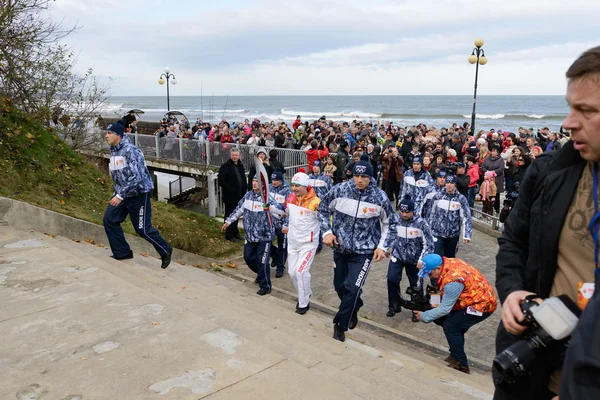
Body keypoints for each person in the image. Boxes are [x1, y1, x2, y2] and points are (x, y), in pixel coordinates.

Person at [494, 45, 600, 400]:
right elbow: (513, 242)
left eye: (585, 110)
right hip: (532, 365)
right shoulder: (550, 171)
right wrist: (512, 291)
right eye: (570, 107)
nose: (568, 123)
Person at [319, 154, 398, 342]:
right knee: (340, 287)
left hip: (364, 253)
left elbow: (390, 224)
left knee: (352, 288)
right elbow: (322, 210)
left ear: (370, 177)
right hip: (340, 248)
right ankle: (354, 306)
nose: (360, 180)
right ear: (351, 175)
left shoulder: (379, 197)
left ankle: (340, 325)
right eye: (356, 176)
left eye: (364, 177)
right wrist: (326, 233)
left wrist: (382, 246)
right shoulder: (339, 190)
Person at [103, 120, 172, 269]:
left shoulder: (130, 151)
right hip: (123, 193)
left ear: (118, 135)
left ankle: (166, 250)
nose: (106, 136)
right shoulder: (114, 150)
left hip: (139, 194)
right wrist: (118, 192)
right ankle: (122, 252)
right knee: (109, 219)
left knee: (143, 229)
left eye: (109, 133)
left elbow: (137, 177)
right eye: (106, 133)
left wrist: (119, 195)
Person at [414, 254, 497, 374]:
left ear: (437, 268)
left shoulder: (452, 280)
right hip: (470, 298)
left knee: (451, 326)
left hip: (481, 304)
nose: (428, 276)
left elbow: (444, 309)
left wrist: (424, 316)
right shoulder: (447, 264)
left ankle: (461, 363)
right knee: (448, 323)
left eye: (429, 273)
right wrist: (433, 303)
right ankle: (455, 354)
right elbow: (437, 288)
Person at [222, 175, 276, 296]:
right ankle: (262, 273)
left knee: (262, 262)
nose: (254, 183)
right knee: (248, 258)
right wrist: (229, 221)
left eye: (257, 181)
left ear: (263, 184)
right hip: (250, 236)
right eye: (253, 181)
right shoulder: (248, 196)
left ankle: (266, 285)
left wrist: (269, 208)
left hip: (264, 236)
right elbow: (239, 209)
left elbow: (280, 211)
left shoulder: (267, 198)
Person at [386, 195, 434, 321]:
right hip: (398, 255)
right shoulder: (396, 219)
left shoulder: (421, 223)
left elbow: (429, 244)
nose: (404, 214)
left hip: (415, 260)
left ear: (413, 211)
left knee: (416, 285)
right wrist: (386, 249)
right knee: (392, 279)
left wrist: (421, 259)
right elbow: (389, 235)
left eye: (407, 212)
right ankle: (394, 305)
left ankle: (416, 309)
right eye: (402, 211)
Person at [281, 172, 321, 314]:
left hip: (308, 244)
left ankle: (303, 303)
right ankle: (306, 292)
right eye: (293, 185)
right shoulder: (291, 198)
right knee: (292, 273)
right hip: (293, 242)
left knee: (301, 271)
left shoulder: (315, 202)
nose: (294, 188)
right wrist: (269, 208)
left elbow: (324, 220)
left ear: (305, 186)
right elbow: (284, 213)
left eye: (297, 186)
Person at [424, 174, 472, 258]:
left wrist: (467, 234)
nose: (449, 185)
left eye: (451, 183)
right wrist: (428, 229)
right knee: (436, 257)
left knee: (450, 259)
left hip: (453, 235)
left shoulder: (461, 199)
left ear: (455, 184)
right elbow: (430, 213)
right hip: (437, 233)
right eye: (447, 183)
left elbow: (467, 216)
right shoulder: (438, 196)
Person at [218, 148, 247, 242]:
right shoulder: (225, 166)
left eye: (236, 155)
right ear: (230, 155)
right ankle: (229, 234)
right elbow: (221, 181)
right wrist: (231, 189)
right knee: (229, 215)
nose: (235, 157)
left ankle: (235, 232)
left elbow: (242, 178)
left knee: (237, 215)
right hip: (230, 196)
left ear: (239, 156)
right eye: (233, 155)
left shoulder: (240, 166)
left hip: (240, 196)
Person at [269, 170, 292, 278]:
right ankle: (275, 256)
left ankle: (280, 267)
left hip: (282, 223)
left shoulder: (287, 191)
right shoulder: (269, 188)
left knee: (283, 247)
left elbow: (289, 210)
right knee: (267, 244)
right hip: (271, 222)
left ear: (281, 180)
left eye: (276, 180)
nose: (274, 182)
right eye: (272, 180)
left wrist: (286, 224)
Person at [482, 145, 505, 214]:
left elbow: (501, 169)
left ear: (498, 153)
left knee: (496, 194)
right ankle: (487, 208)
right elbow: (483, 166)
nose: (493, 153)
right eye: (492, 151)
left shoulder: (501, 160)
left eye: (495, 151)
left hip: (497, 179)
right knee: (487, 194)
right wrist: (487, 172)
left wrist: (492, 173)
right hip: (487, 179)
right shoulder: (487, 159)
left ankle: (496, 208)